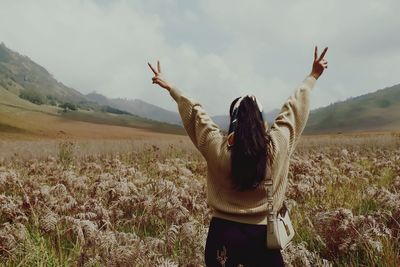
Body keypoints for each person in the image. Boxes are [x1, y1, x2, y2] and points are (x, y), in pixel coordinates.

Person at [148, 46, 328, 267]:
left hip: (222, 234)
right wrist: (313, 76)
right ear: (262, 122)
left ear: (233, 121)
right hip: (264, 237)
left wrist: (171, 88)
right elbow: (294, 109)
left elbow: (196, 113)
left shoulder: (217, 147)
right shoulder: (277, 146)